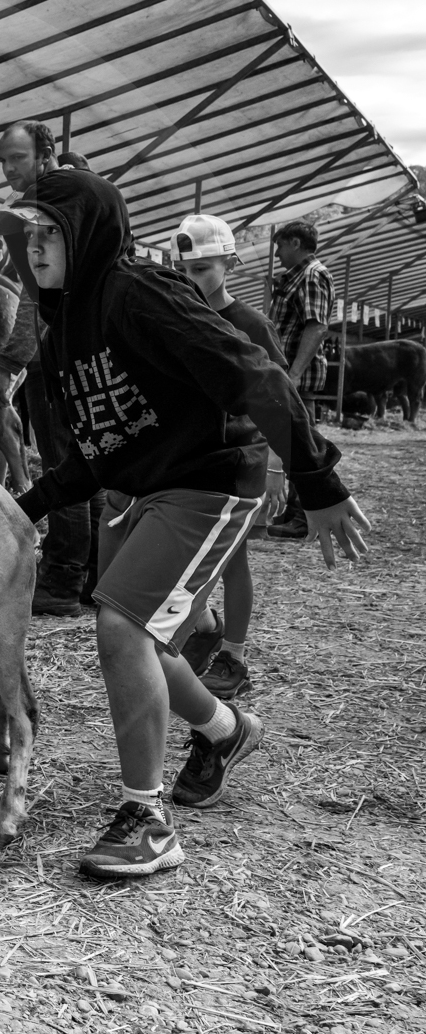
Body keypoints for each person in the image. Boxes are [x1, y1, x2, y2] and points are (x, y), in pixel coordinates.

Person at [1, 170, 369, 879]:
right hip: (144, 490)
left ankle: (149, 820)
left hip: (208, 480)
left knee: (121, 625)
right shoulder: (58, 341)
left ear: (86, 234)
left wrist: (316, 480)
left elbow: (254, 373)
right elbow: (88, 458)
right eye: (29, 237)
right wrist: (15, 512)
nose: (37, 248)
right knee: (147, 637)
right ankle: (227, 731)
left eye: (50, 232)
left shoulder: (136, 291)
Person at [168, 215, 289, 699]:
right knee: (184, 558)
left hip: (243, 461)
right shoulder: (177, 317)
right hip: (194, 458)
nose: (192, 279)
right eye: (185, 270)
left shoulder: (251, 324)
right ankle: (204, 626)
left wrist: (279, 468)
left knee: (232, 560)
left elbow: (283, 400)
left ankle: (234, 656)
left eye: (203, 269)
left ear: (230, 263)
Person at [0, 123, 102, 616]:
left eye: (17, 158)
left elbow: (37, 299)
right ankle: (95, 575)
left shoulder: (47, 210)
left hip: (54, 359)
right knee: (89, 467)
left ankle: (60, 581)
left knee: (62, 468)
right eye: (4, 160)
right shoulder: (85, 204)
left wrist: (8, 364)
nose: (9, 169)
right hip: (83, 355)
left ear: (46, 155)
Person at [267, 220, 335, 539]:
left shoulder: (312, 274)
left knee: (301, 445)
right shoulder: (297, 276)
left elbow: (317, 326)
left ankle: (305, 515)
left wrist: (293, 374)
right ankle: (298, 510)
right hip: (291, 374)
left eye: (280, 245)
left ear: (295, 242)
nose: (277, 252)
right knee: (295, 443)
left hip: (298, 376)